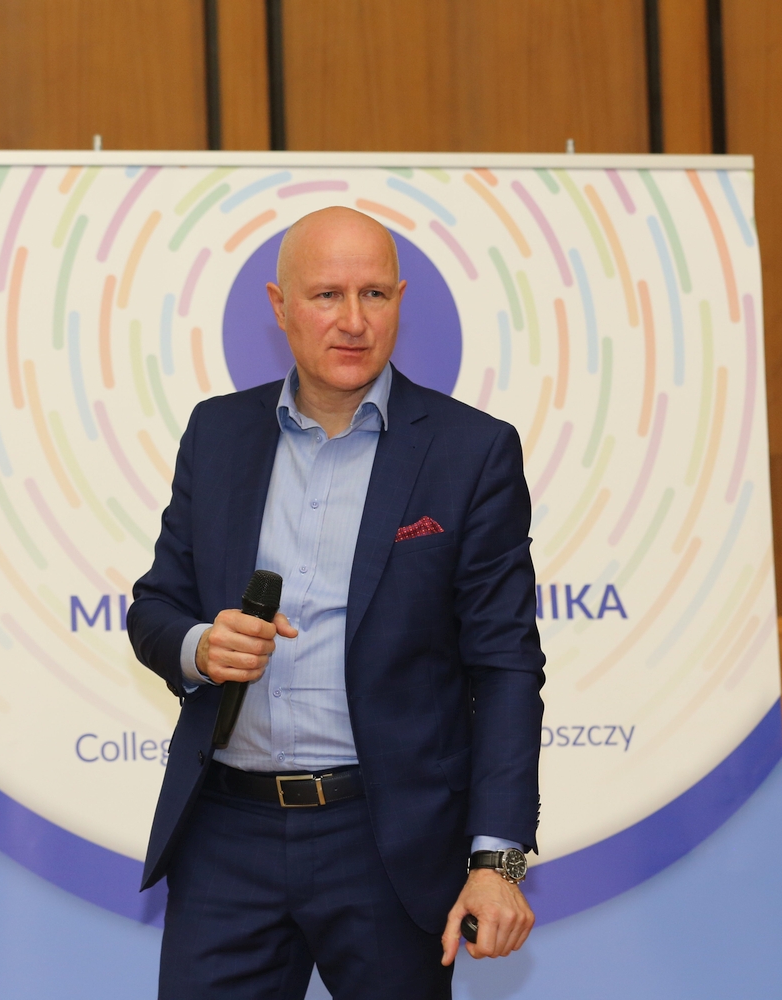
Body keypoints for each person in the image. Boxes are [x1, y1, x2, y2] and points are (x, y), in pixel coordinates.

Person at [126, 206, 545, 999]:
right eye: (326, 296)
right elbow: (155, 609)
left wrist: (497, 859)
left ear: (400, 301)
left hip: (387, 841)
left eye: (374, 295)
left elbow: (506, 667)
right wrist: (200, 647)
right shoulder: (216, 435)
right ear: (280, 305)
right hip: (226, 836)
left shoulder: (470, 451)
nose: (353, 321)